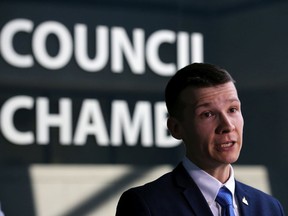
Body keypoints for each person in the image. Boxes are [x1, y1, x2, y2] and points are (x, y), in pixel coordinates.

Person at [115, 63, 286, 216]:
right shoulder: (146, 205)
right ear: (176, 128)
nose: (227, 125)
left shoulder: (269, 207)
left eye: (233, 109)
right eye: (208, 114)